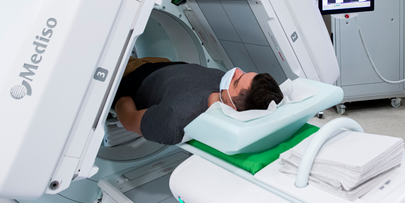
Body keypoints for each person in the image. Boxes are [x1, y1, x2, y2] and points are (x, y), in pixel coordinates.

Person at [113, 57, 284, 145]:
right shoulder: (225, 92)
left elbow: (128, 119)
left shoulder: (175, 121)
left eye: (237, 81)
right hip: (164, 63)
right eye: (244, 73)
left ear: (233, 108)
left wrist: (114, 90)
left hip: (133, 75)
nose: (236, 72)